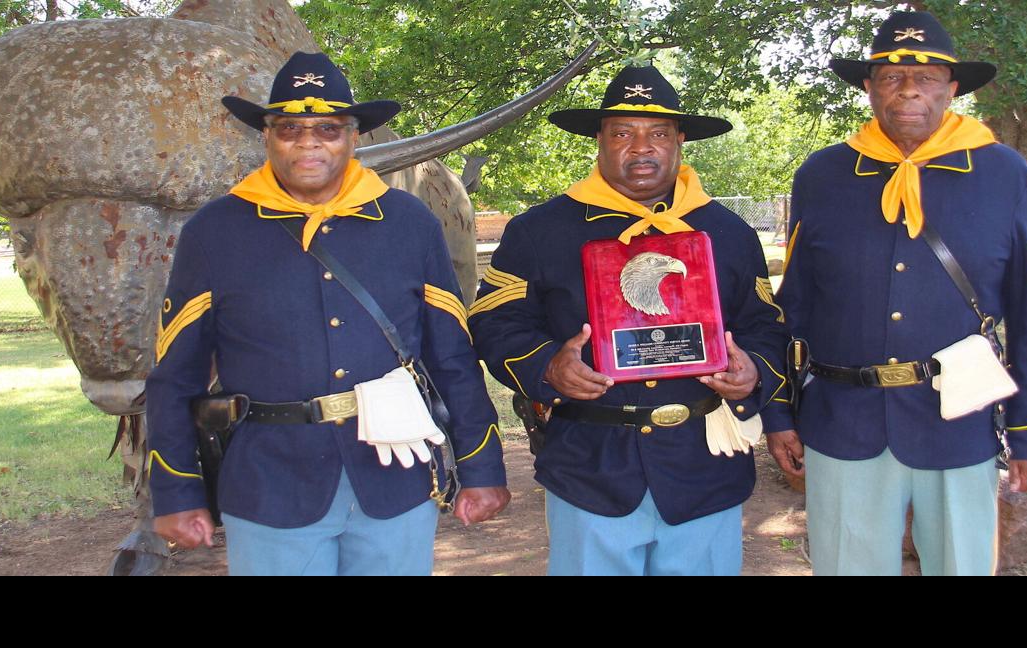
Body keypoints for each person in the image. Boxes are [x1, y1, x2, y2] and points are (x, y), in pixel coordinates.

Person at [145, 51, 509, 575]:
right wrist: (176, 490)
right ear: (267, 136)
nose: (308, 142)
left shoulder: (409, 224)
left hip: (395, 472)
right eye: (290, 128)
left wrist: (481, 466)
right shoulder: (215, 231)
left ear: (353, 137)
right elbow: (176, 373)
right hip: (270, 481)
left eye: (328, 129)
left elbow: (451, 355)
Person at [766, 10, 1027, 576]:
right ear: (869, 87)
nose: (908, 90)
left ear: (951, 89)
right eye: (892, 77)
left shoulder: (1004, 174)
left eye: (926, 77)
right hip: (843, 420)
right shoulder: (823, 175)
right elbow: (795, 303)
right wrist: (779, 411)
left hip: (958, 421)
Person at [468, 65, 785, 576]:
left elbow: (766, 326)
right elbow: (495, 321)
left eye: (658, 133)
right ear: (599, 140)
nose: (642, 148)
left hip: (704, 465)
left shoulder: (729, 232)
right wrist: (548, 367)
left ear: (680, 141)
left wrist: (753, 371)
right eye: (622, 133)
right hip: (590, 467)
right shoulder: (539, 230)